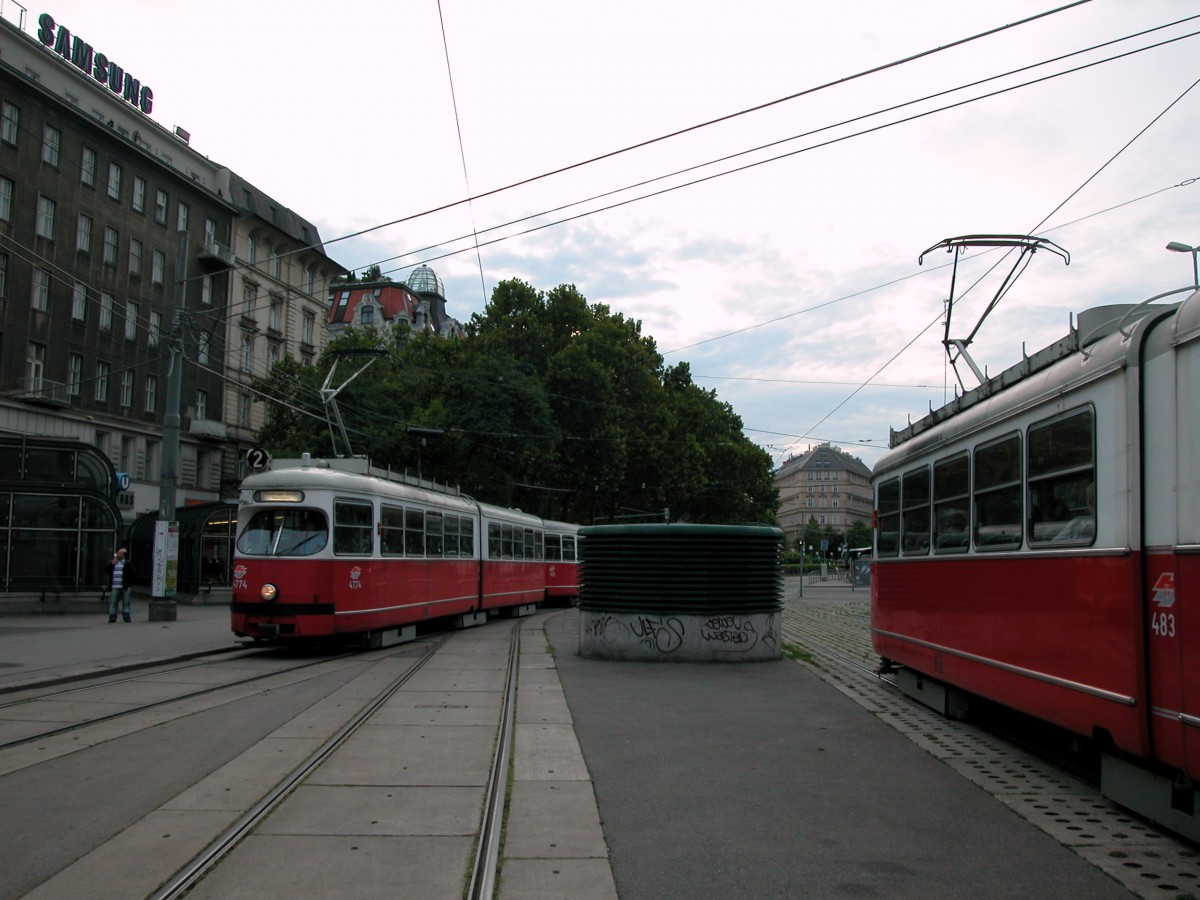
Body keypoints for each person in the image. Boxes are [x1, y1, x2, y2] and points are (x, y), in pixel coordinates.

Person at [106, 548, 132, 623]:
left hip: (124, 586)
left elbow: (133, 574)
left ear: (124, 555)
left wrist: (129, 583)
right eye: (118, 553)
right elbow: (106, 570)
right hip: (115, 586)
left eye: (120, 553)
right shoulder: (114, 562)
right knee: (113, 602)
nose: (118, 554)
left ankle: (126, 616)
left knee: (126, 602)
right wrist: (112, 563)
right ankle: (112, 617)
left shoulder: (127, 563)